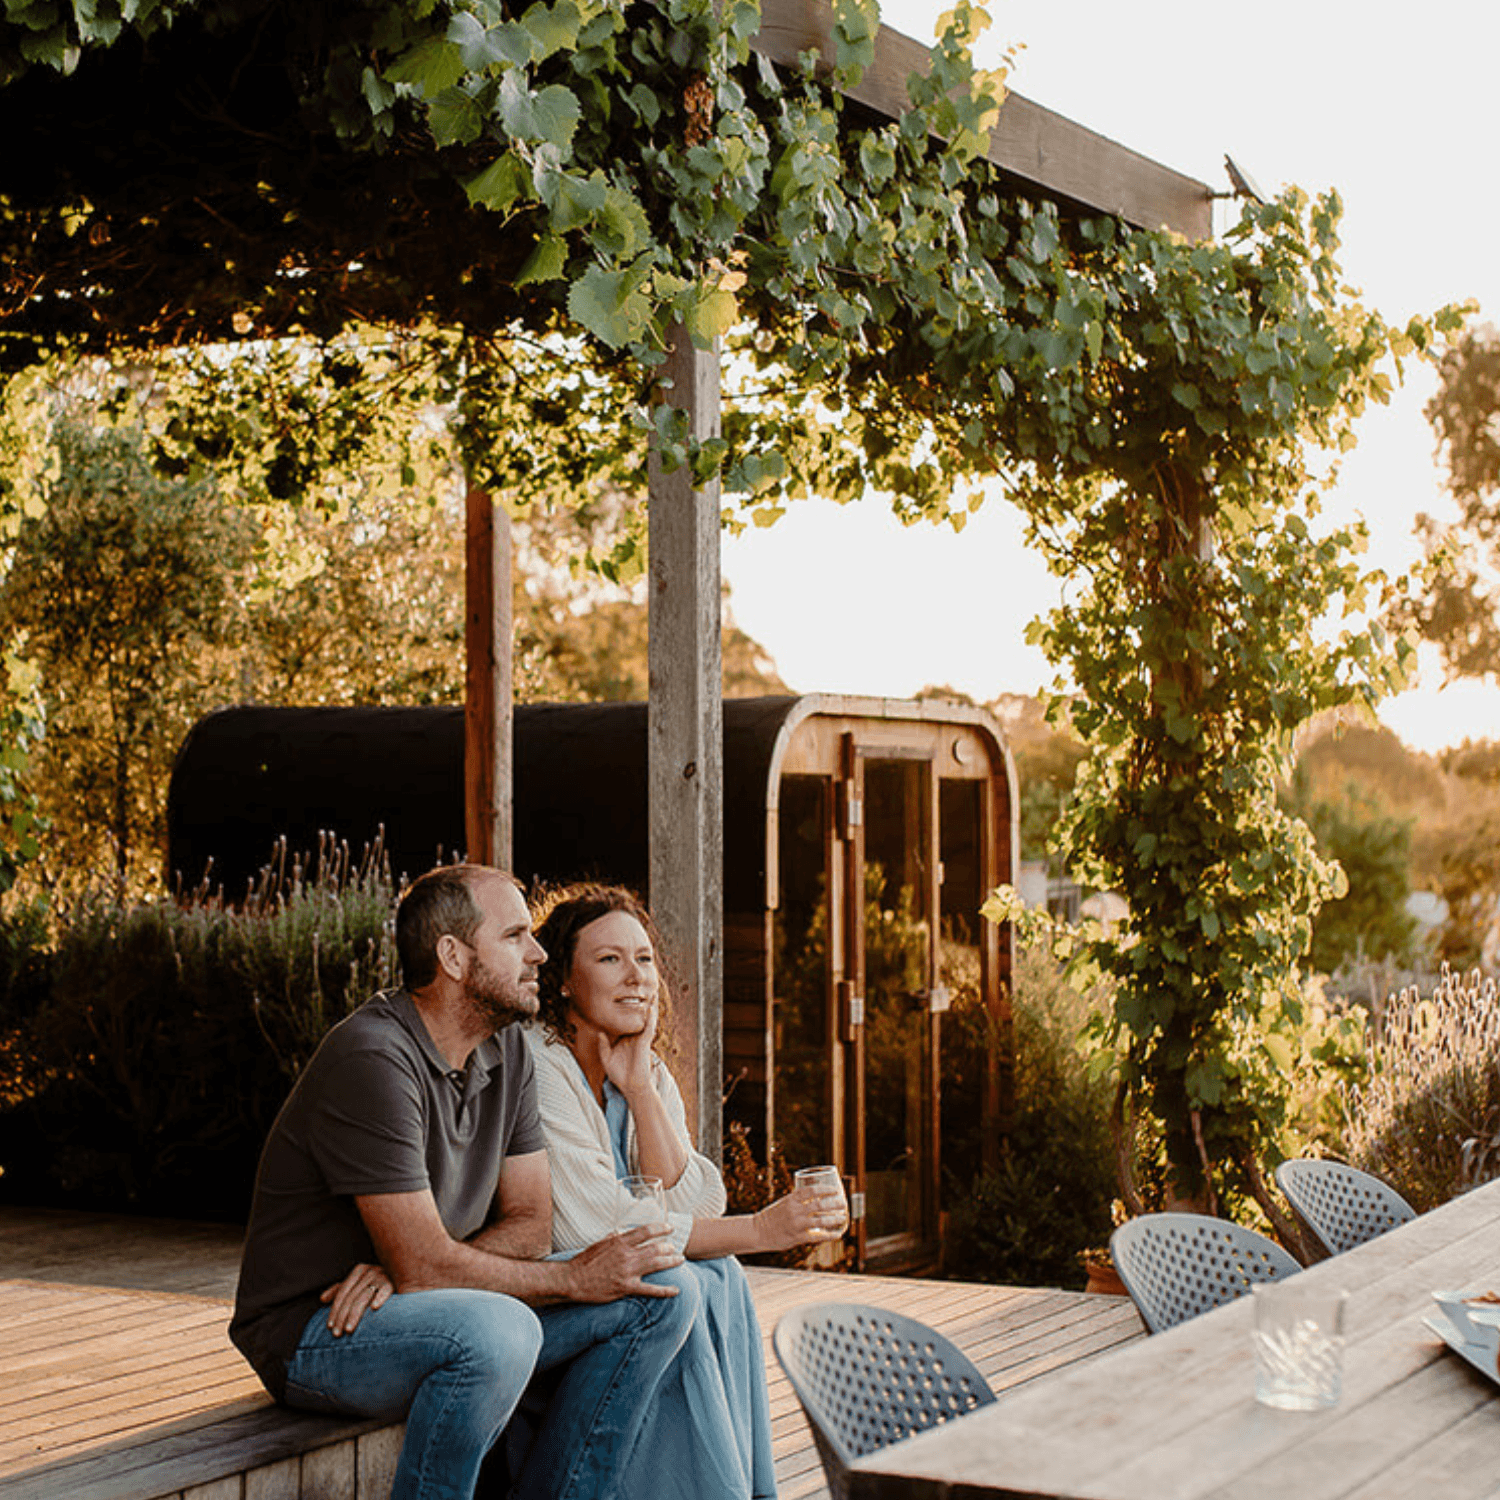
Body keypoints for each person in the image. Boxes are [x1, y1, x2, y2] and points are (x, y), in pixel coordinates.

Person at [229, 863, 701, 1500]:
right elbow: (438, 1265)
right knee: (496, 1334)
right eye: (514, 937)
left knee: (664, 1286)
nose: (538, 953)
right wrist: (557, 1278)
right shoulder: (373, 1058)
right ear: (453, 956)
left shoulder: (505, 1052)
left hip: (417, 1298)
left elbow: (531, 1225)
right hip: (317, 1332)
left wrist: (419, 1267)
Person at [519, 883, 849, 1500]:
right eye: (609, 960)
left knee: (718, 1272)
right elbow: (591, 1227)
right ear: (562, 978)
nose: (636, 978)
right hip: (549, 1296)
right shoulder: (540, 1066)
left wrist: (640, 1090)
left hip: (627, 1292)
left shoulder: (642, 1068)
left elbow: (700, 1203)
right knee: (686, 1278)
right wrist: (761, 1231)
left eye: (644, 959)